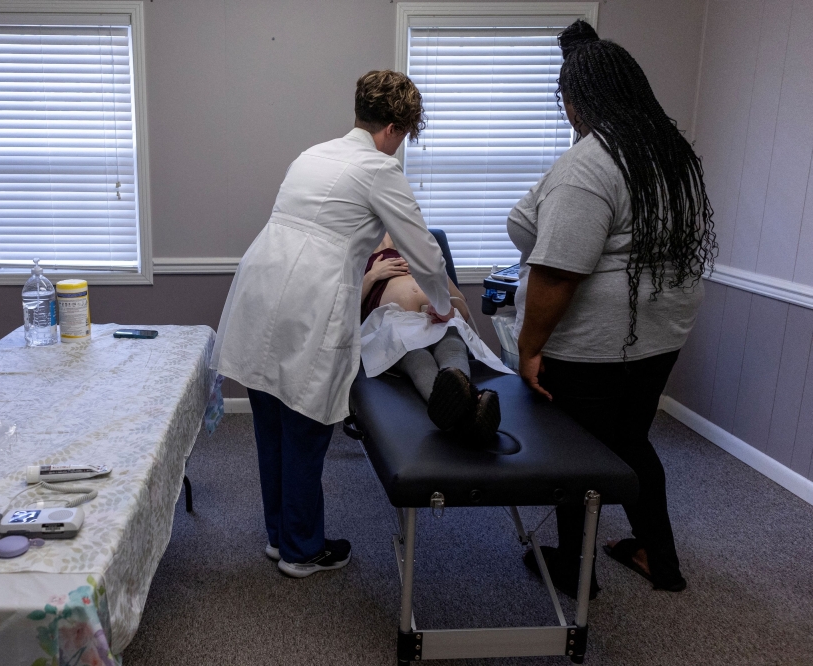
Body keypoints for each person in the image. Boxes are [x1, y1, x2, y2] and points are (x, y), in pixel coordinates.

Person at [212, 71, 455, 578]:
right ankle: (302, 549)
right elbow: (425, 254)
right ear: (392, 128)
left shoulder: (313, 154)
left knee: (272, 421)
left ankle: (281, 537)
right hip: (308, 296)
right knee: (305, 423)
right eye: (404, 137)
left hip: (261, 285)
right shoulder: (377, 169)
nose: (399, 149)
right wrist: (444, 304)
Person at [508, 20, 717, 598]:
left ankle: (577, 574)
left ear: (578, 102)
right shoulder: (670, 154)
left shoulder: (590, 163)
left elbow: (557, 269)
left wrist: (529, 349)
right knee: (630, 440)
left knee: (576, 455)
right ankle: (659, 556)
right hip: (660, 332)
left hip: (598, 342)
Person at [359, 233, 506, 441]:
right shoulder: (356, 250)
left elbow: (463, 310)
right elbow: (345, 312)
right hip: (394, 324)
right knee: (419, 359)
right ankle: (472, 411)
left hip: (437, 320)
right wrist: (373, 275)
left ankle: (460, 413)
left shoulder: (421, 251)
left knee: (453, 346)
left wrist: (444, 305)